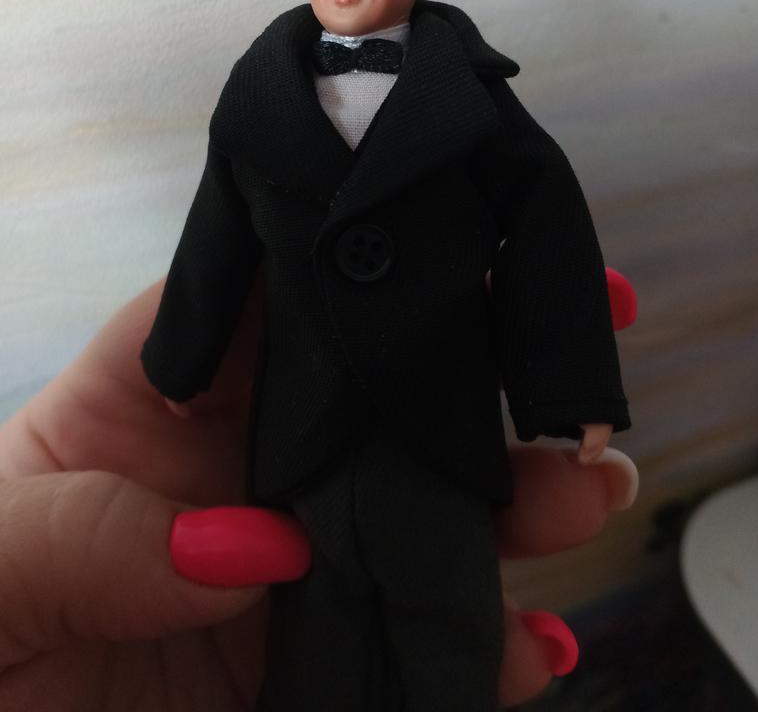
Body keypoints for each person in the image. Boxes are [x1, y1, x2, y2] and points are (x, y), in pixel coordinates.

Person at [141, 0, 632, 710]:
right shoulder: (259, 96)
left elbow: (548, 228)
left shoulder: (471, 99)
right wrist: (181, 360)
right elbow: (215, 233)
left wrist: (569, 387)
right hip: (305, 417)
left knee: (451, 619)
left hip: (438, 414)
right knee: (313, 627)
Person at [0, 280, 637, 710]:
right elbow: (217, 255)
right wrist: (179, 358)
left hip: (397, 486)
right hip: (313, 490)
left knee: (453, 642)